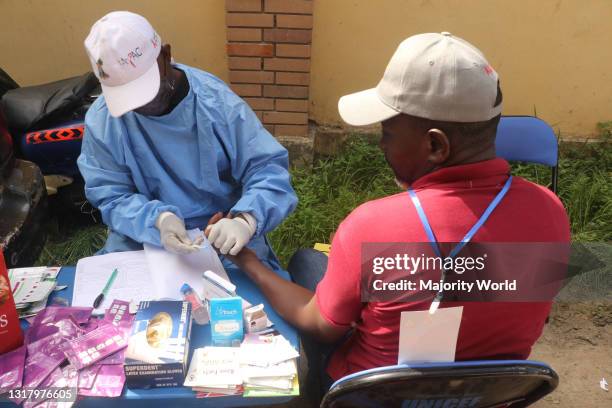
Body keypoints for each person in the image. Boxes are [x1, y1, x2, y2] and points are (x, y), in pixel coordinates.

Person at [210, 32, 570, 396]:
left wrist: (250, 262)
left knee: (306, 263)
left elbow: (318, 325)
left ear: (435, 145)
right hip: (488, 396)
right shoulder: (550, 210)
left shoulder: (373, 225)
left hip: (374, 398)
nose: (381, 143)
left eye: (387, 131)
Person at [77, 11, 297, 272]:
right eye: (129, 98)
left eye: (145, 89)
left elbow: (268, 171)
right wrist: (160, 220)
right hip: (143, 234)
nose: (142, 106)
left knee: (248, 299)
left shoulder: (217, 105)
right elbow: (111, 195)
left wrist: (245, 220)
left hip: (219, 229)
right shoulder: (105, 120)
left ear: (166, 56)